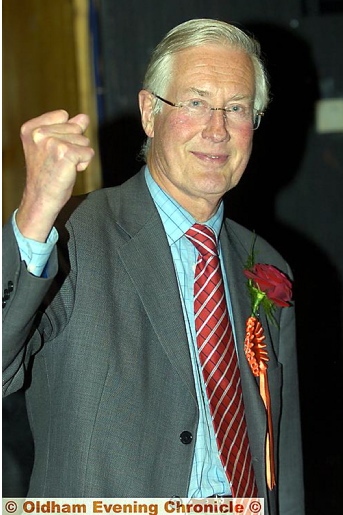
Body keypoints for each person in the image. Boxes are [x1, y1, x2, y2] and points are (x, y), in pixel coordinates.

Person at [2, 18, 304, 514]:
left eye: (236, 108)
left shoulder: (267, 265)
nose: (217, 128)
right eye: (195, 102)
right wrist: (35, 216)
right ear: (149, 112)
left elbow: (280, 455)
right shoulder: (74, 234)